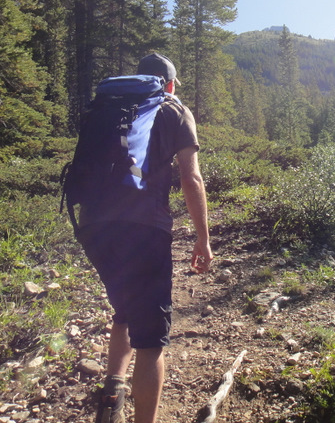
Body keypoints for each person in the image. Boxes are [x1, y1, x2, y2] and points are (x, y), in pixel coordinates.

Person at [75, 53, 213, 423]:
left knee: (125, 309)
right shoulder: (175, 111)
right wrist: (203, 238)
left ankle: (112, 394)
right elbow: (191, 178)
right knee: (151, 340)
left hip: (92, 226)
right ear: (169, 84)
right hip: (144, 229)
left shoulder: (111, 109)